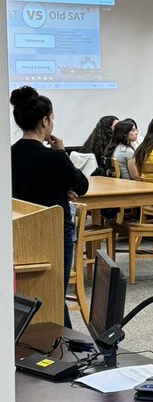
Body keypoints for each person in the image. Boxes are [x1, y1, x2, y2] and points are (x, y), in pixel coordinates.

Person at [10, 85, 90, 327]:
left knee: (29, 289)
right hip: (54, 230)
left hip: (19, 229)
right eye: (52, 118)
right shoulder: (54, 157)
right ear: (44, 121)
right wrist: (62, 153)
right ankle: (65, 340)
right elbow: (82, 185)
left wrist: (59, 185)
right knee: (56, 291)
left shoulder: (10, 154)